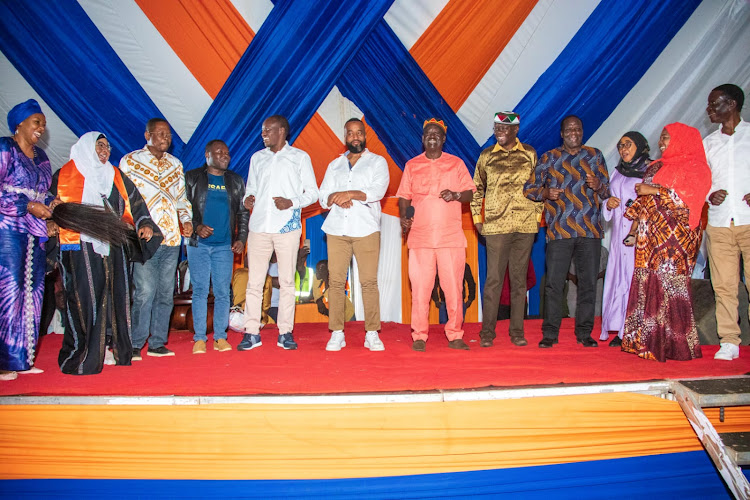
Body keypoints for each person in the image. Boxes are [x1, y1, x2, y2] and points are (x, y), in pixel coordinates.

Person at [54, 132, 156, 374]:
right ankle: (81, 353)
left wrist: (145, 223)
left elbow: (136, 203)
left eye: (108, 146)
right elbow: (53, 205)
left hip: (114, 245)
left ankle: (112, 347)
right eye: (100, 145)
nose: (105, 150)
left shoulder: (115, 176)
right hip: (80, 246)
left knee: (116, 296)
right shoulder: (65, 174)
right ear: (87, 146)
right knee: (85, 297)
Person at [621, 123, 711, 362]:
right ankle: (646, 342)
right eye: (661, 138)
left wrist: (656, 190)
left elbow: (690, 203)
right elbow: (645, 196)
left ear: (682, 140)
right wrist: (635, 222)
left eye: (666, 138)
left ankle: (674, 346)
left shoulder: (696, 167)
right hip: (650, 235)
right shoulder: (655, 165)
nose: (661, 143)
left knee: (670, 286)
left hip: (676, 238)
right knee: (648, 282)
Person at [524, 115, 610, 348]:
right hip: (559, 231)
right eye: (569, 129)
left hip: (590, 230)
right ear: (562, 133)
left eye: (578, 129)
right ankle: (550, 333)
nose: (574, 132)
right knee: (554, 283)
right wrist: (545, 193)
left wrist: (599, 186)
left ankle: (584, 332)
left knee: (588, 283)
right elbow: (529, 189)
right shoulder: (549, 157)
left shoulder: (595, 155)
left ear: (582, 132)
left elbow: (607, 193)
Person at [238, 115, 318, 351]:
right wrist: (247, 199)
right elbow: (250, 187)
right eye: (262, 131)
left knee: (286, 282)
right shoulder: (257, 158)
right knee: (254, 282)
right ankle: (251, 332)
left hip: (287, 227)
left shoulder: (299, 157)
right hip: (259, 227)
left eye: (268, 131)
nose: (263, 135)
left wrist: (291, 202)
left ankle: (285, 332)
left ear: (282, 131)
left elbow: (313, 193)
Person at [397, 118, 476, 351]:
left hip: (449, 237)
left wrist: (456, 195)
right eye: (428, 134)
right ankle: (419, 335)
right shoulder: (412, 165)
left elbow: (470, 194)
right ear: (423, 140)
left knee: (453, 287)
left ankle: (455, 334)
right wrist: (404, 216)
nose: (432, 137)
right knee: (420, 288)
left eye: (437, 134)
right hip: (420, 237)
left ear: (443, 139)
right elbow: (404, 196)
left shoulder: (456, 163)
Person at [120, 118, 193, 359]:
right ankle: (134, 343)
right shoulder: (130, 162)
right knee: (144, 292)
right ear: (147, 135)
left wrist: (187, 220)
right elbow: (124, 200)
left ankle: (158, 342)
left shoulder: (176, 164)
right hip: (145, 238)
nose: (165, 138)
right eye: (160, 133)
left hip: (171, 238)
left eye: (168, 134)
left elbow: (181, 198)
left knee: (164, 293)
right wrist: (135, 226)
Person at [318, 118, 389, 352]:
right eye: (350, 133)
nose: (355, 137)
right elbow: (323, 197)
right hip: (337, 229)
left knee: (368, 282)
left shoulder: (377, 162)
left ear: (365, 135)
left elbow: (377, 191)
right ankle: (337, 333)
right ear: (345, 137)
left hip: (366, 228)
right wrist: (336, 197)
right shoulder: (334, 165)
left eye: (359, 133)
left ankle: (372, 333)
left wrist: (349, 194)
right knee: (336, 282)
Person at [471, 111, 541, 347]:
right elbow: (476, 189)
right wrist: (477, 219)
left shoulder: (529, 153)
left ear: (515, 131)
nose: (498, 132)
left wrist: (537, 216)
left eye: (503, 129)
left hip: (524, 224)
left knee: (519, 282)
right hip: (496, 225)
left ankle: (517, 332)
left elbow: (538, 187)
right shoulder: (487, 156)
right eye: (496, 128)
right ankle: (487, 333)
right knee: (493, 281)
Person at [0, 99, 53, 381]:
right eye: (36, 122)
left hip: (35, 230)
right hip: (7, 228)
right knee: (9, 291)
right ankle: (4, 361)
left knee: (33, 292)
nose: (41, 128)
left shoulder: (42, 157)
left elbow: (43, 194)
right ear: (19, 123)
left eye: (43, 124)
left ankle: (23, 358)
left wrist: (51, 206)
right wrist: (27, 205)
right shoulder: (4, 148)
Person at [185, 140, 249, 354]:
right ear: (207, 155)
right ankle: (200, 338)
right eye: (219, 152)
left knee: (223, 292)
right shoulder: (193, 178)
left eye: (227, 153)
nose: (225, 156)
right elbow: (184, 209)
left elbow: (242, 213)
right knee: (200, 291)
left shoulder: (235, 181)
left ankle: (221, 337)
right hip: (198, 245)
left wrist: (241, 237)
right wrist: (196, 227)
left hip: (224, 246)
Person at [704, 84, 749, 361]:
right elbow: (702, 183)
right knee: (723, 285)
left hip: (748, 220)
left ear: (731, 104)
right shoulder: (708, 143)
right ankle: (730, 341)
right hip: (719, 223)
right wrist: (710, 195)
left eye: (714, 104)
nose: (709, 110)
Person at [600, 132, 651, 347]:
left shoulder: (649, 172)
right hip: (618, 237)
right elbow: (607, 202)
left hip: (638, 238)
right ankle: (621, 329)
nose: (623, 149)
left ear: (639, 147)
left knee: (634, 281)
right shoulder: (617, 172)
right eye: (620, 145)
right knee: (619, 281)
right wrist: (608, 204)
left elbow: (652, 203)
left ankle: (636, 331)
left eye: (628, 145)